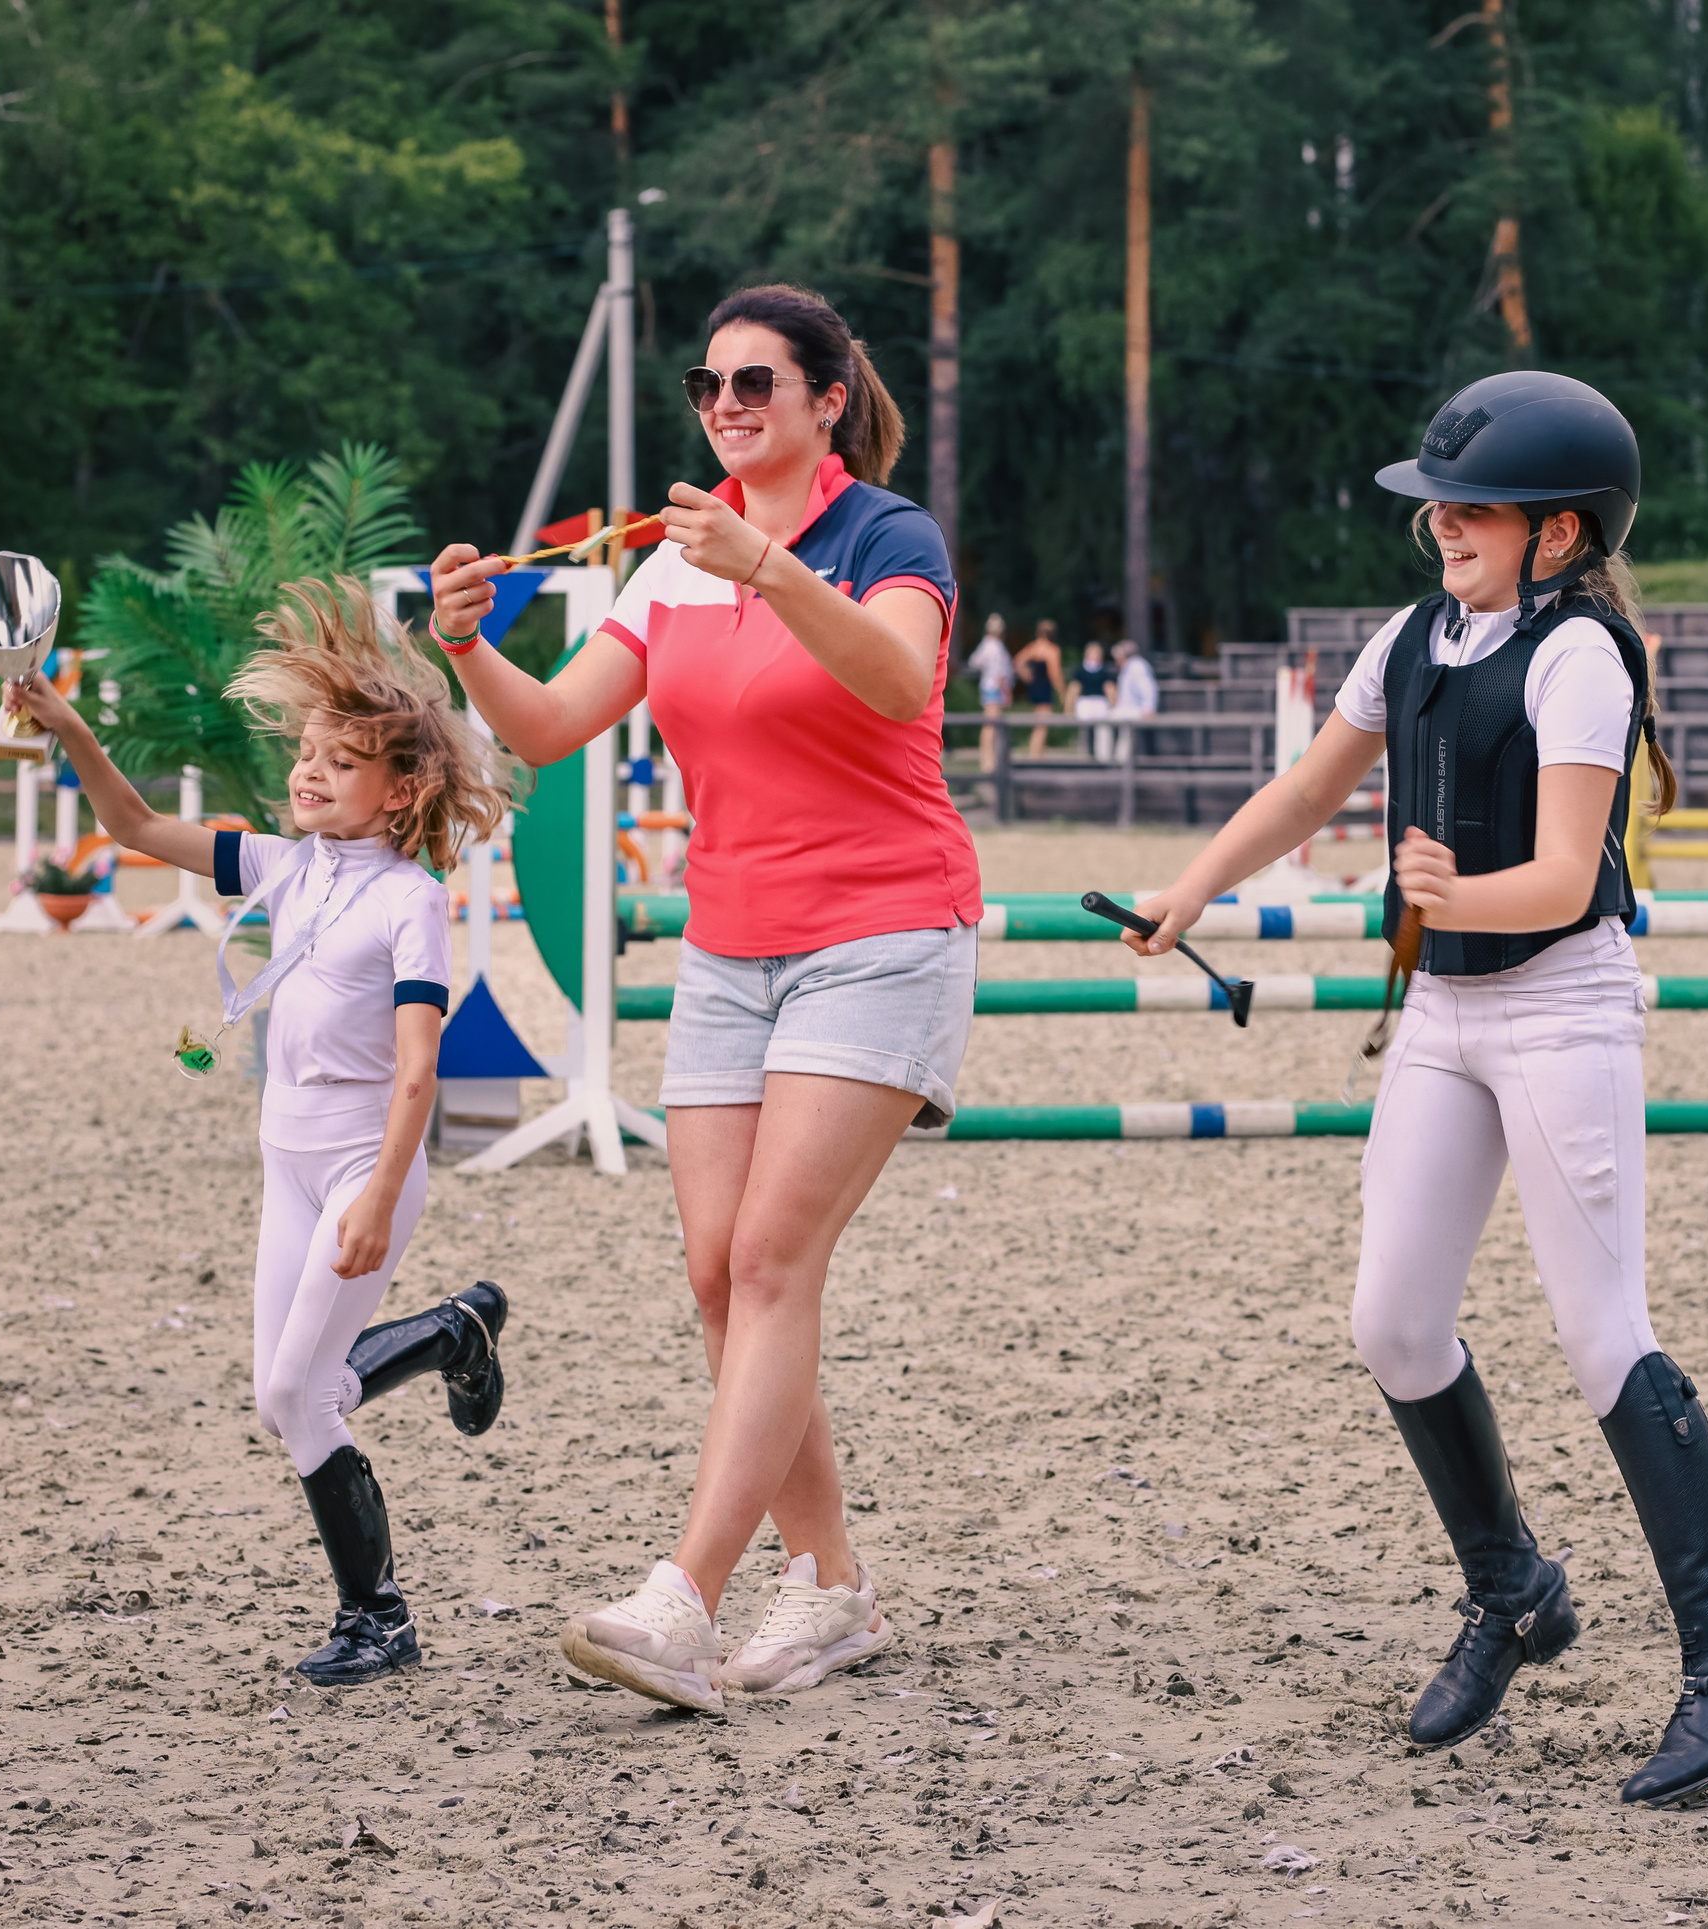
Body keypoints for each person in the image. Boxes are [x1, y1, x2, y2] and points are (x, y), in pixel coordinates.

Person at [1123, 372, 1708, 1809]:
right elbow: (1309, 791)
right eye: (1437, 505)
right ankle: (1514, 1590)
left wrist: (1442, 888)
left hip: (1562, 1006)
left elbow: (1559, 878)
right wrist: (1193, 889)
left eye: (1473, 509)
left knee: (1601, 1332)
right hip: (1444, 1008)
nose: (1442, 525)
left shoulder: (1583, 659)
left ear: (1558, 533)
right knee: (1392, 1320)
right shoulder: (1413, 638)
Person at [424, 282, 977, 1715]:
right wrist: (469, 645)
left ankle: (683, 1597)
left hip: (882, 930)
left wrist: (768, 567)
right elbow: (552, 726)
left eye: (754, 383)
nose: (725, 406)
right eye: (707, 386)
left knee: (777, 1261)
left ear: (826, 400)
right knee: (720, 1276)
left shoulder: (887, 537)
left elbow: (896, 678)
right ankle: (833, 1582)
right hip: (732, 951)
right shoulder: (671, 565)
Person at [9, 578, 512, 1687]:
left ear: (402, 788)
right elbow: (134, 827)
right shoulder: (282, 866)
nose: (309, 773)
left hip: (363, 1165)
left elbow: (419, 1069)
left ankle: (379, 1619)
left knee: (298, 1396)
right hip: (285, 1163)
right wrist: (71, 725)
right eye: (308, 754)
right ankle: (452, 1335)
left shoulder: (410, 898)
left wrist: (379, 1195)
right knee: (284, 1395)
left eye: (342, 761)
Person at [969, 613, 1015, 772]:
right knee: (991, 725)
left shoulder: (987, 644)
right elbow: (1000, 672)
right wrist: (1006, 691)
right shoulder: (995, 646)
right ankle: (987, 761)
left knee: (990, 725)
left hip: (989, 686)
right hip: (994, 688)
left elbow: (975, 662)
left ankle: (990, 759)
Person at [1014, 619, 1064, 757]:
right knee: (1042, 724)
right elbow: (1055, 674)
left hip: (1035, 687)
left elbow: (1018, 661)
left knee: (1038, 723)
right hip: (1044, 687)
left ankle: (1037, 753)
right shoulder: (1052, 650)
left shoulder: (1034, 647)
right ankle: (1036, 756)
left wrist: (1027, 676)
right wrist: (1062, 692)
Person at [1111, 639, 1157, 766]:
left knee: (1123, 734)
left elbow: (1148, 688)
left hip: (1135, 710)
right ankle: (1118, 760)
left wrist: (1149, 707)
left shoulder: (1137, 667)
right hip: (1127, 708)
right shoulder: (1129, 667)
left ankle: (1119, 762)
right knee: (1120, 732)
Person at [1068, 639, 1115, 760]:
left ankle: (1103, 757)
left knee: (1103, 731)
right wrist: (1069, 707)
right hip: (1085, 703)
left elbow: (1110, 689)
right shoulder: (1080, 672)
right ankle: (1084, 756)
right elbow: (1074, 690)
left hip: (1100, 703)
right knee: (1084, 732)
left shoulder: (1104, 672)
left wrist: (1113, 705)